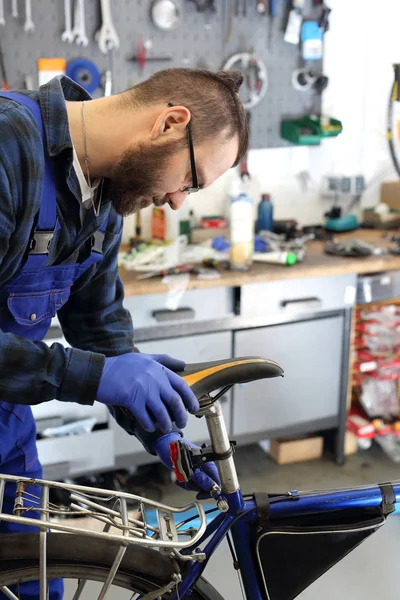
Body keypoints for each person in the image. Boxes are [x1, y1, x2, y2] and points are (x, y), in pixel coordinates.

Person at [0, 67, 248, 598]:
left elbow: (101, 331)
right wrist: (93, 376)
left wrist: (158, 431)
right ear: (169, 122)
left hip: (6, 429)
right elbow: (96, 365)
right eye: (192, 180)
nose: (180, 201)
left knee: (37, 582)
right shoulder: (8, 146)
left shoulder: (105, 202)